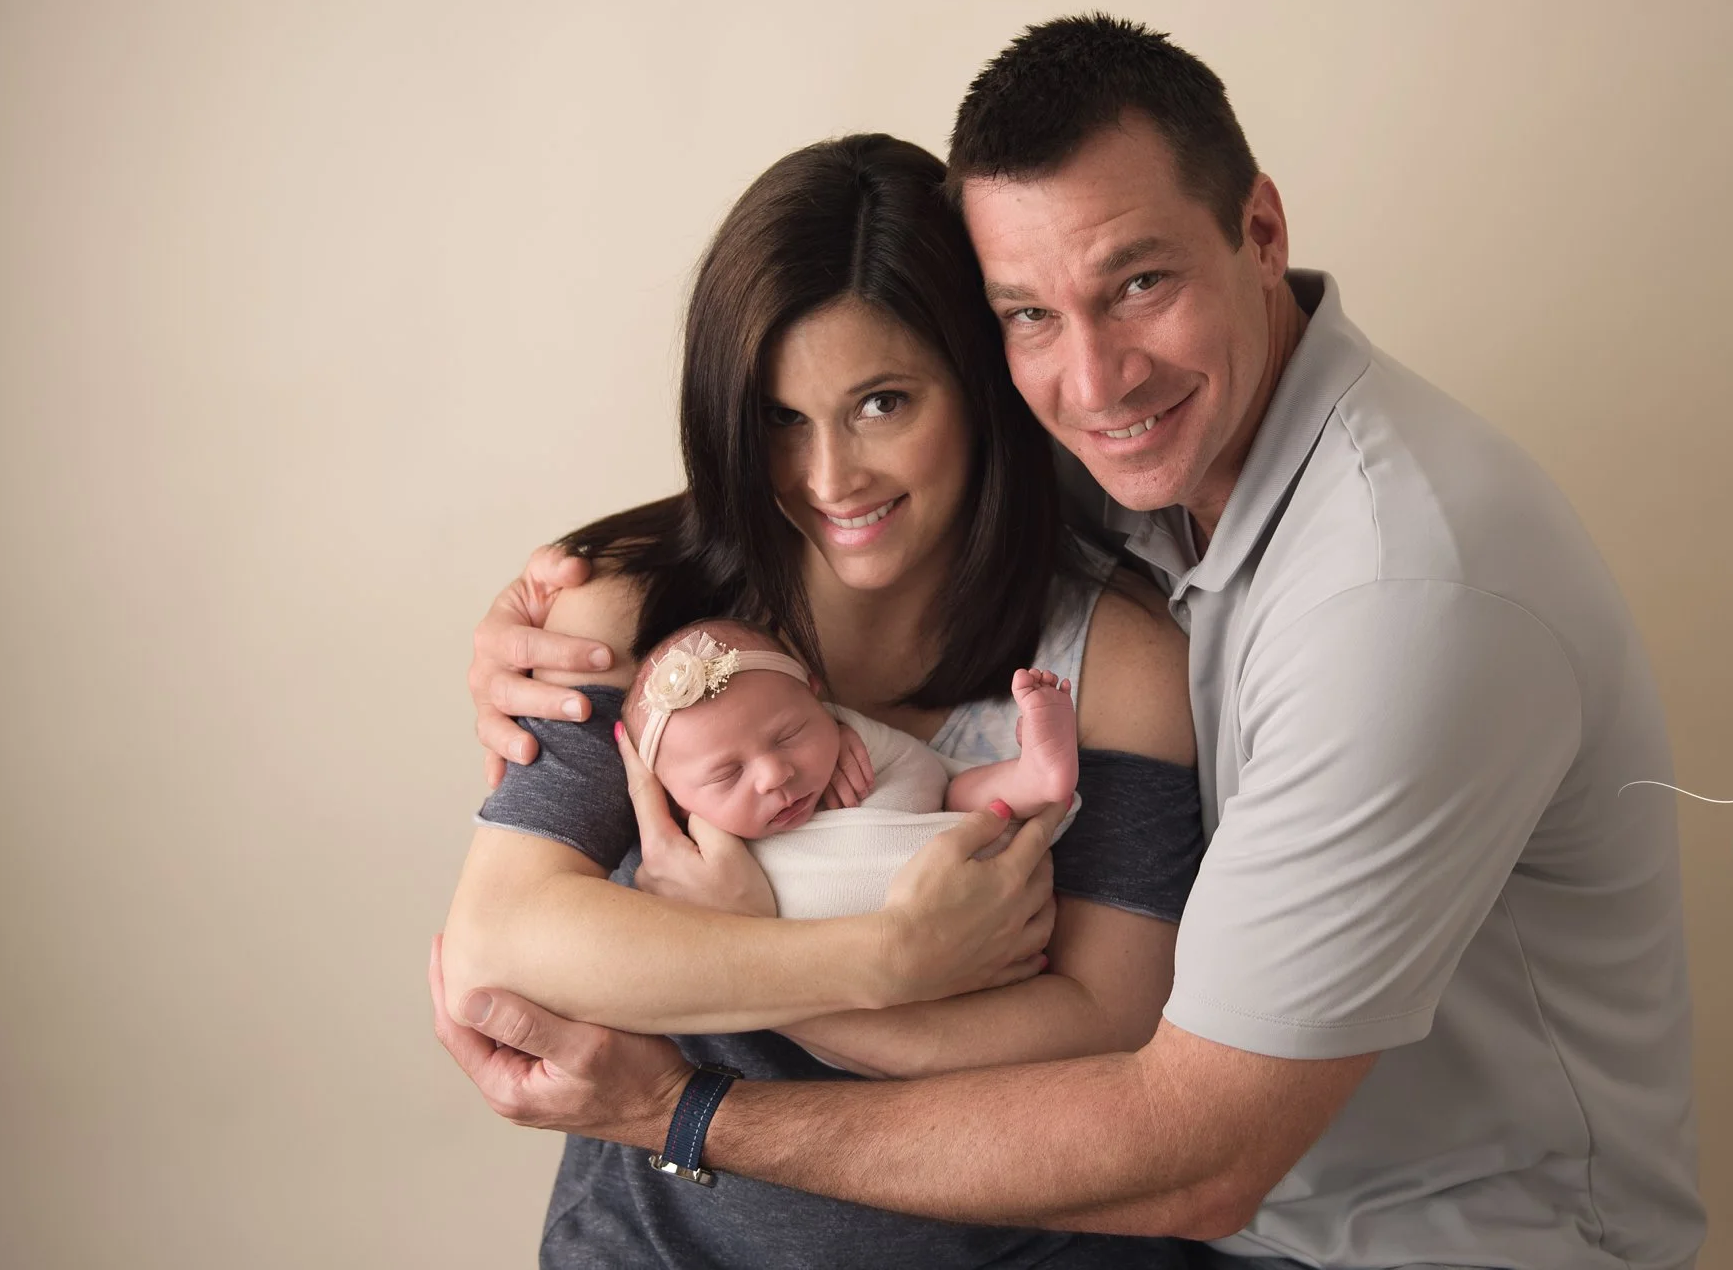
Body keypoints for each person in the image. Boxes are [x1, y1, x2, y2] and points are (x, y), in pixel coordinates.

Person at [438, 15, 1707, 1270]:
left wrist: (687, 1104)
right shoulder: (1114, 458)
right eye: (1029, 313)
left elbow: (1178, 1128)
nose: (1094, 382)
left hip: (1412, 1240)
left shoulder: (1393, 603)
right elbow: (851, 493)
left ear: (1261, 233)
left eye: (1139, 283)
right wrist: (571, 594)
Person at [439, 131, 1204, 1268]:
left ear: (978, 385)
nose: (830, 477)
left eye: (882, 403)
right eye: (779, 419)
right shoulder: (631, 618)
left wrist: (763, 977)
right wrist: (885, 962)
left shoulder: (1114, 663)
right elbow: (503, 942)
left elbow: (1110, 1030)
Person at [619, 616, 1082, 919]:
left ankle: (1032, 776)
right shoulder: (695, 861)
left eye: (788, 735)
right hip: (888, 945)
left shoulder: (843, 739)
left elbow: (927, 776)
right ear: (674, 802)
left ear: (816, 695)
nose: (774, 774)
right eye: (727, 774)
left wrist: (839, 728)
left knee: (964, 794)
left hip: (961, 838)